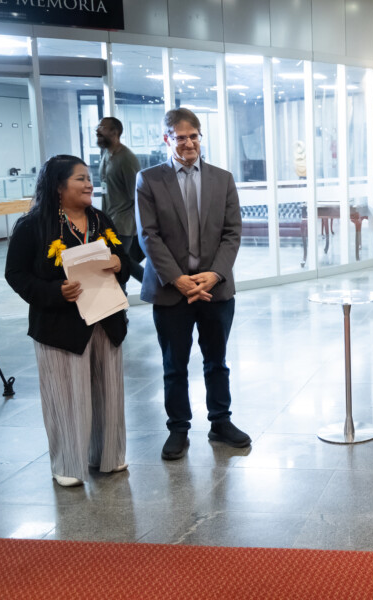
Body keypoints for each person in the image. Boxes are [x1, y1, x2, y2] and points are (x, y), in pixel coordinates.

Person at [5, 155, 130, 486]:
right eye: (80, 178)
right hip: (60, 327)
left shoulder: (100, 220)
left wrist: (119, 263)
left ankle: (108, 455)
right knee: (66, 397)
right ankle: (68, 465)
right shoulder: (33, 226)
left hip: (105, 320)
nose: (89, 184)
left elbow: (124, 258)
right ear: (59, 187)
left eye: (89, 178)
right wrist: (55, 291)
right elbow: (15, 274)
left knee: (108, 393)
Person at [135, 108, 250, 460]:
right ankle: (178, 429)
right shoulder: (149, 180)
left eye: (194, 136)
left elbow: (232, 232)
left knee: (217, 361)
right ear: (167, 139)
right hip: (171, 291)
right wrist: (178, 279)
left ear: (201, 137)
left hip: (215, 289)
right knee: (175, 365)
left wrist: (215, 274)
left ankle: (220, 422)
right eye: (180, 137)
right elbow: (148, 235)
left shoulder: (222, 179)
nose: (188, 143)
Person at [96, 117, 144, 283]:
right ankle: (157, 287)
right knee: (122, 262)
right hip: (109, 220)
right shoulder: (106, 154)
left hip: (123, 223)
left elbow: (136, 194)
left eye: (102, 127)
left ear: (114, 132)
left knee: (120, 262)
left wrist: (139, 225)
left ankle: (157, 286)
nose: (97, 130)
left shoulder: (127, 158)